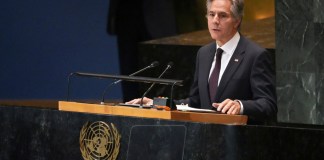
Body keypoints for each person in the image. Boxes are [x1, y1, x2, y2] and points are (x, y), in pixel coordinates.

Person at [127, 0, 277, 123]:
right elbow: (194, 102)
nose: (215, 21)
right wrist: (157, 103)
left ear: (237, 21)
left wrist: (240, 105)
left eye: (223, 16)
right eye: (211, 14)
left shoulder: (255, 55)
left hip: (238, 142)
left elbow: (268, 104)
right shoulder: (204, 54)